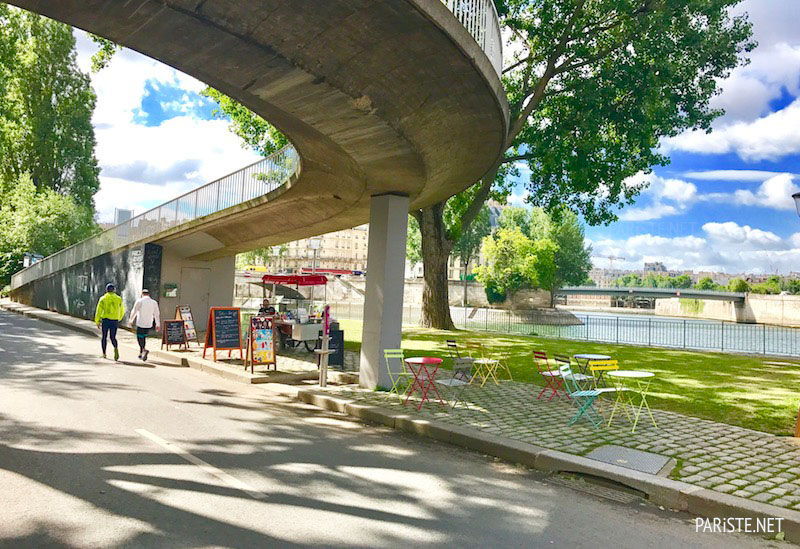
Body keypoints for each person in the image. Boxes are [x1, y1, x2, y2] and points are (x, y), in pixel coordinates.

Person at [95, 283, 125, 360]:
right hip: (114, 320)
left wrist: (97, 321)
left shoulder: (103, 298)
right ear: (114, 290)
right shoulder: (118, 299)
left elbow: (99, 310)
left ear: (106, 290)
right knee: (113, 337)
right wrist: (119, 318)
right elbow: (122, 309)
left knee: (104, 337)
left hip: (105, 320)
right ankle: (115, 348)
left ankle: (104, 353)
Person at [129, 288, 161, 361]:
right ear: (149, 294)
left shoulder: (139, 301)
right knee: (143, 337)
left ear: (142, 294)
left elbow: (134, 311)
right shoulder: (154, 302)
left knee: (139, 337)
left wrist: (131, 320)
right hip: (149, 323)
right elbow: (157, 313)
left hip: (141, 323)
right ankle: (141, 353)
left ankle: (143, 349)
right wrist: (157, 324)